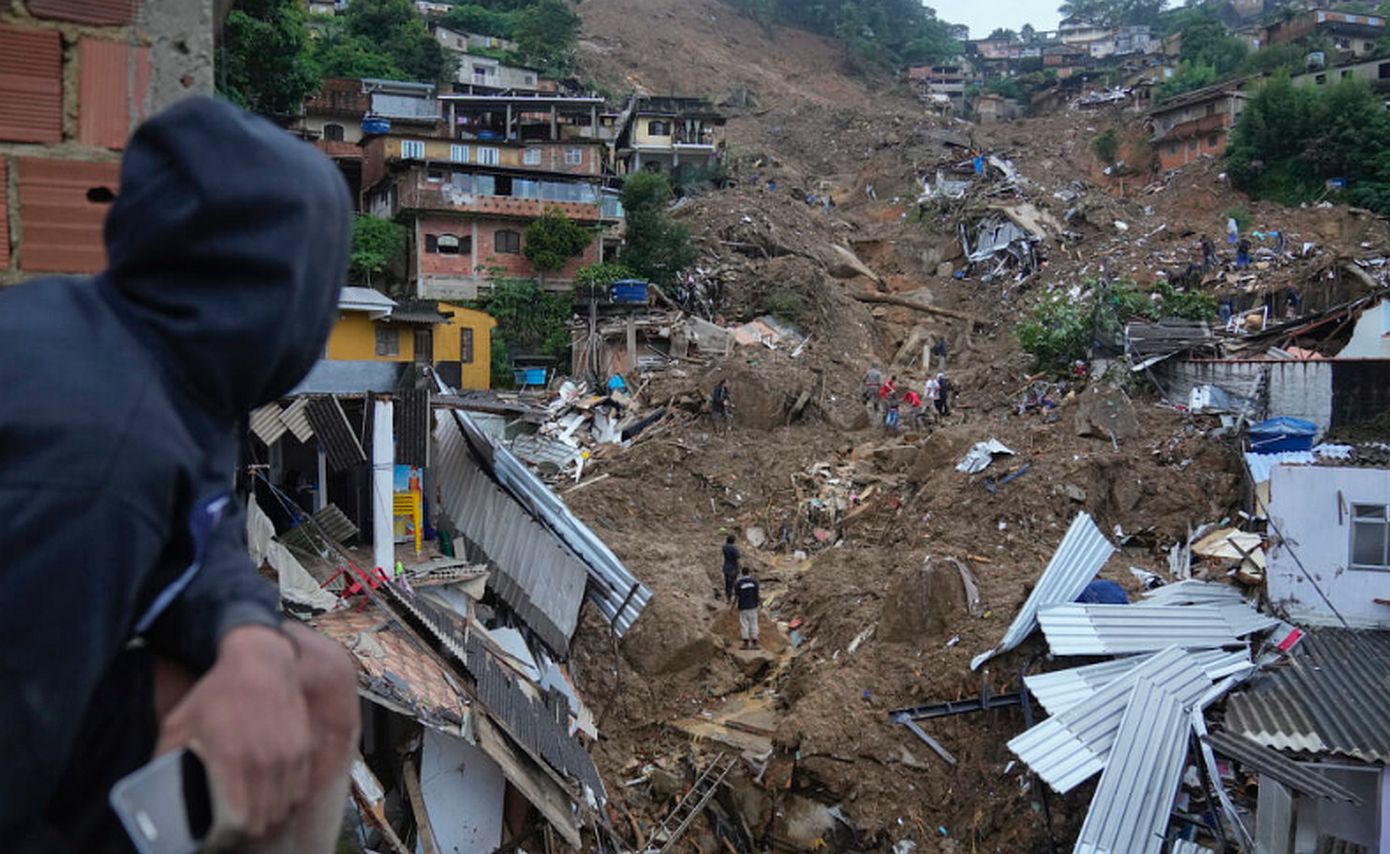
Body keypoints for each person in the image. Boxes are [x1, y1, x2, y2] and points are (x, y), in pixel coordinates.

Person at [0, 98, 360, 852]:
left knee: (314, 678)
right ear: (286, 292)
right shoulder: (100, 462)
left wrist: (247, 638)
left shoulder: (147, 358)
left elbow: (206, 529)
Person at [734, 567, 761, 649]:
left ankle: (745, 643)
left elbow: (736, 596)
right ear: (749, 573)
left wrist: (732, 607)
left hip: (743, 606)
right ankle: (755, 643)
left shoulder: (738, 583)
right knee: (754, 623)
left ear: (742, 573)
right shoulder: (754, 582)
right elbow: (757, 594)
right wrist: (761, 604)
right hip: (753, 606)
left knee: (744, 624)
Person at [721, 534, 741, 601]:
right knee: (733, 583)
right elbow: (738, 558)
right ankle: (732, 598)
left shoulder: (724, 547)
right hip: (733, 568)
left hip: (726, 567)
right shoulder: (734, 548)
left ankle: (728, 597)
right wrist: (739, 567)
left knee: (727, 583)